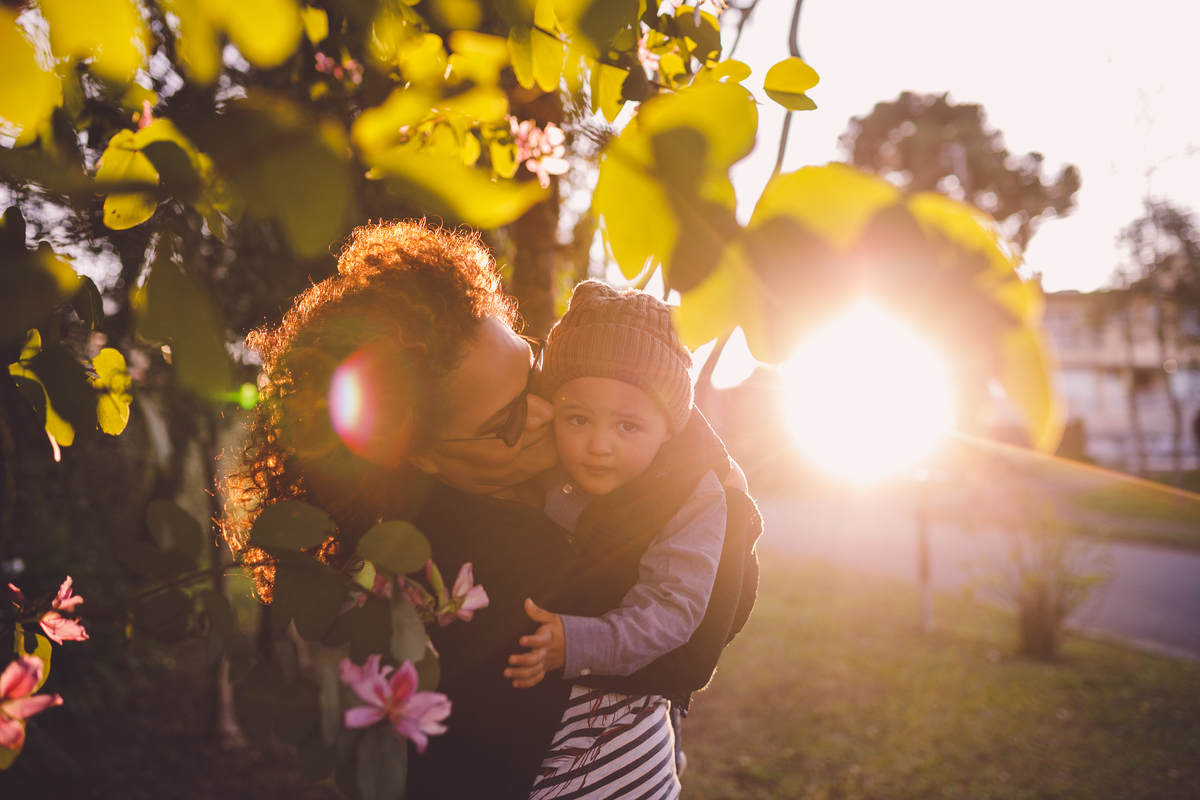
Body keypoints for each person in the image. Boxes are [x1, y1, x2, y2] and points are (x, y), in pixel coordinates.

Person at [223, 220, 760, 800]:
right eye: (505, 421)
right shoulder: (471, 567)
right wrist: (722, 493)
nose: (543, 414)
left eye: (533, 373)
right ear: (422, 455)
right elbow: (692, 646)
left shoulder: (557, 481)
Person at [499, 281, 728, 794]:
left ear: (668, 427)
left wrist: (579, 641)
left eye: (628, 426)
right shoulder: (545, 462)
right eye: (577, 419)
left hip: (627, 710)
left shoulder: (692, 494)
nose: (597, 446)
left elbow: (671, 607)